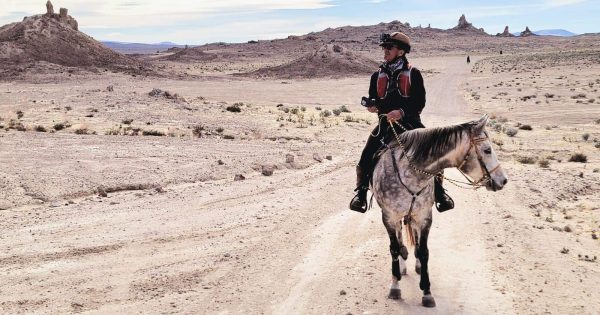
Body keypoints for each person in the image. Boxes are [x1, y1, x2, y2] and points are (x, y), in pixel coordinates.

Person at [349, 32, 454, 213]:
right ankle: (361, 193)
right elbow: (375, 98)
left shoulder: (414, 74)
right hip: (385, 124)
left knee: (432, 152)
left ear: (401, 52)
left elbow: (419, 102)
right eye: (384, 47)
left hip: (410, 123)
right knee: (366, 154)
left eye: (389, 48)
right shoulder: (376, 75)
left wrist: (401, 112)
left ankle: (439, 193)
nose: (385, 51)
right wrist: (373, 106)